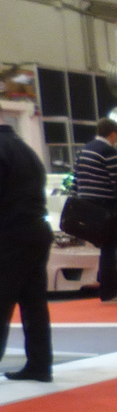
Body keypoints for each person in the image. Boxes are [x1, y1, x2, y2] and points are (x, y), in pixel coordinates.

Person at [0, 121, 55, 382]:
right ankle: (40, 364)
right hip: (36, 230)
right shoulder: (26, 150)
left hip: (10, 233)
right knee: (34, 303)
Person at [70, 117, 117, 302]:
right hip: (106, 205)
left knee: (104, 246)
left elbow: (76, 180)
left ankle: (106, 284)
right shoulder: (109, 152)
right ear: (113, 133)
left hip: (87, 205)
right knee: (111, 247)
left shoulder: (84, 150)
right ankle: (110, 291)